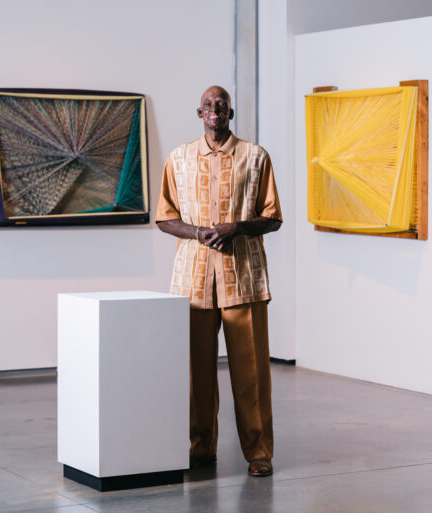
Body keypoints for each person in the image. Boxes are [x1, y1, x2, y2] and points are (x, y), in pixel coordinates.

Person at [155, 86, 282, 477]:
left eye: (221, 104)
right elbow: (164, 216)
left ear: (230, 112)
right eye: (209, 105)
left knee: (252, 373)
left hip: (243, 279)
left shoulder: (256, 157)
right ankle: (200, 449)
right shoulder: (178, 158)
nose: (215, 110)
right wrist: (196, 233)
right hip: (193, 283)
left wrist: (237, 227)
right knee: (196, 374)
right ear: (200, 112)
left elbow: (273, 217)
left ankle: (259, 452)